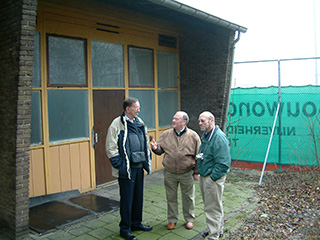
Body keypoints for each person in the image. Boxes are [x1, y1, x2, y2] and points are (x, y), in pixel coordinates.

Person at [106, 97, 152, 240]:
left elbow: (144, 141)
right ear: (128, 109)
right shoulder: (117, 123)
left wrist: (147, 157)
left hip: (139, 167)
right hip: (127, 169)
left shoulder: (140, 122)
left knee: (138, 197)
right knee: (127, 200)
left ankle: (136, 223)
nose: (139, 110)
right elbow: (110, 146)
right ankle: (125, 229)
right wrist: (120, 165)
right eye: (136, 107)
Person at [151, 111, 201, 230]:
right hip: (170, 172)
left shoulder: (193, 136)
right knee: (171, 197)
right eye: (173, 118)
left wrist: (196, 172)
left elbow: (198, 156)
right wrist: (155, 148)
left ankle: (189, 219)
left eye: (176, 119)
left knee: (188, 197)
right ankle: (172, 220)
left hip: (187, 172)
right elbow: (160, 150)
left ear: (184, 122)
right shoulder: (166, 134)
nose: (173, 120)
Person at [197, 111, 231, 240]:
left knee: (212, 208)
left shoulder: (218, 137)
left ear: (212, 121)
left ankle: (213, 236)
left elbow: (224, 163)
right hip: (206, 175)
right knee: (214, 205)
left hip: (212, 178)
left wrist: (212, 178)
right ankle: (217, 230)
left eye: (203, 121)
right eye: (199, 121)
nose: (200, 123)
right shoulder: (206, 136)